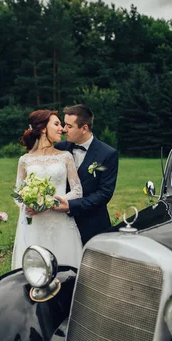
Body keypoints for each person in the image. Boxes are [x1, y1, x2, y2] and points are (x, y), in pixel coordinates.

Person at [11, 110, 84, 270]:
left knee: (65, 269)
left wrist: (48, 202)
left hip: (60, 221)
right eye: (56, 124)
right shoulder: (25, 160)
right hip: (34, 224)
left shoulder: (65, 156)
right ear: (43, 129)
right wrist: (28, 204)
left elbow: (77, 190)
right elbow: (18, 192)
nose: (62, 129)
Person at [53, 104, 119, 245]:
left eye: (69, 126)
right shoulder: (59, 149)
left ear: (84, 128)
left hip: (92, 225)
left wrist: (71, 205)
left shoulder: (107, 154)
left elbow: (104, 193)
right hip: (61, 223)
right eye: (65, 125)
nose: (64, 129)